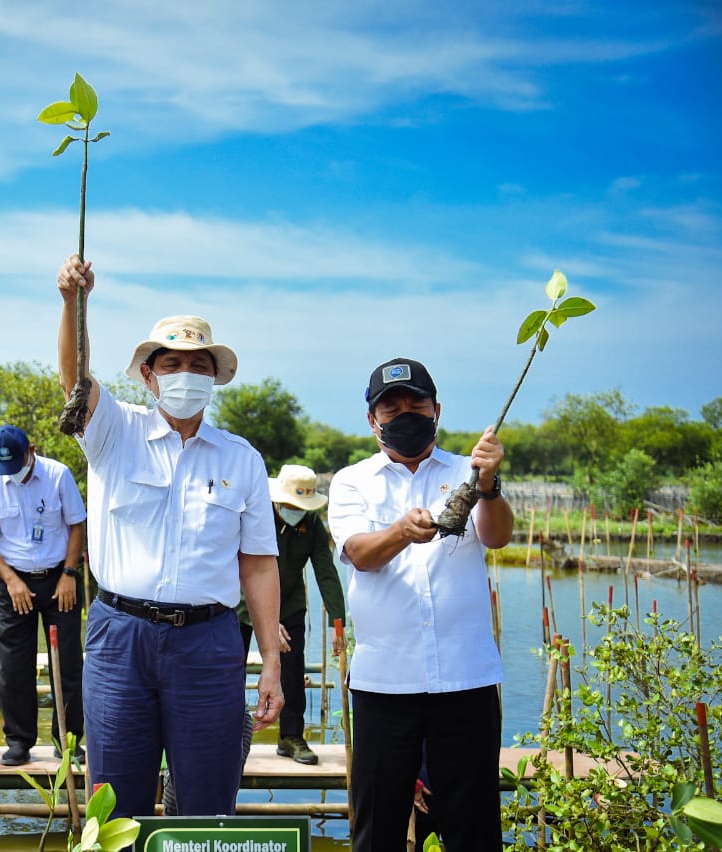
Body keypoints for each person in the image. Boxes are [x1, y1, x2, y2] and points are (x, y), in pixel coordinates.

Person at [56, 255, 284, 818]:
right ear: (149, 375)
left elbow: (258, 564)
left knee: (207, 807)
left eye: (198, 364)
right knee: (114, 806)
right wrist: (73, 303)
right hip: (119, 637)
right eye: (173, 362)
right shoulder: (114, 430)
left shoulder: (243, 459)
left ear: (214, 377)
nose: (186, 373)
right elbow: (75, 380)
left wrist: (271, 664)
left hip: (209, 645)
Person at [327, 357, 512, 851]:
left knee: (473, 829)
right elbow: (359, 554)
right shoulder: (351, 481)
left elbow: (497, 537)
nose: (405, 413)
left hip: (466, 679)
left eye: (416, 403)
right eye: (392, 407)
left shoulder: (468, 472)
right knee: (377, 828)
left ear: (437, 410)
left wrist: (489, 487)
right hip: (384, 684)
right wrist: (401, 533)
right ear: (373, 420)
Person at [0, 425, 87, 766]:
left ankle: (66, 740)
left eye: (17, 462)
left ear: (31, 450)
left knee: (67, 663)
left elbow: (78, 525)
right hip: (13, 582)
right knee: (13, 666)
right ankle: (19, 741)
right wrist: (10, 579)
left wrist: (69, 574)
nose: (13, 472)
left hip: (58, 577)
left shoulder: (58, 475)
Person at [238, 464, 347, 766]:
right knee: (229, 667)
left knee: (292, 668)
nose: (295, 511)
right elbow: (241, 569)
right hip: (243, 603)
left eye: (301, 507)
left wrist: (338, 625)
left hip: (290, 603)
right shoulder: (255, 516)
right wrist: (268, 621)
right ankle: (228, 736)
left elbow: (326, 572)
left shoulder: (311, 524)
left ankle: (290, 736)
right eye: (290, 506)